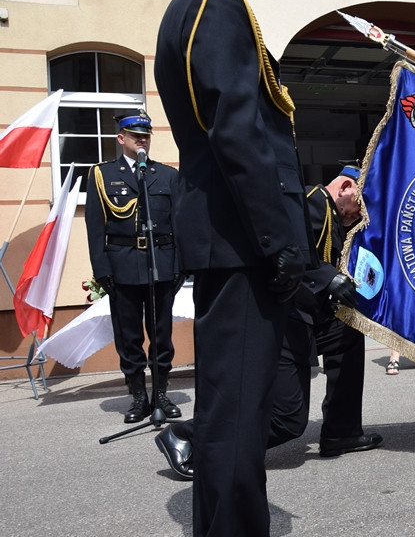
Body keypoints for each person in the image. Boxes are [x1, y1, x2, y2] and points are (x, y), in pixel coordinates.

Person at [153, 0, 326, 537]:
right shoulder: (213, 5)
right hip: (240, 242)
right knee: (233, 411)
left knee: (245, 408)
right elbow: (238, 137)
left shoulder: (202, 7)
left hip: (235, 238)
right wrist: (281, 245)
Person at [156, 165, 379, 473]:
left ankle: (342, 431)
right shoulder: (312, 202)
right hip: (285, 321)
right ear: (345, 187)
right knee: (288, 420)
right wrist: (327, 277)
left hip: (308, 316)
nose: (359, 216)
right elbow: (284, 251)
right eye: (360, 206)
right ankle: (186, 436)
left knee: (348, 333)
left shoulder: (330, 213)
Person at [84, 109, 183, 424]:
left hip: (161, 265)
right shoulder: (102, 174)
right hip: (123, 265)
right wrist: (102, 270)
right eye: (135, 134)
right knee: (128, 336)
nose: (142, 139)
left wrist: (181, 265)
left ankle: (161, 395)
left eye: (146, 135)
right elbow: (95, 226)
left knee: (161, 334)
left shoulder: (167, 176)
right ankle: (139, 397)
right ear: (121, 138)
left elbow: (180, 224)